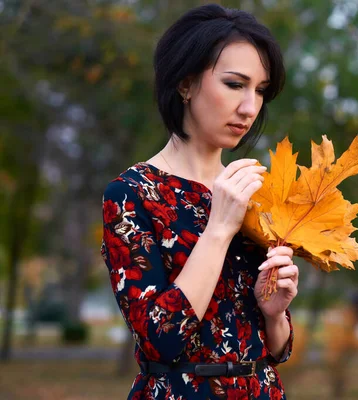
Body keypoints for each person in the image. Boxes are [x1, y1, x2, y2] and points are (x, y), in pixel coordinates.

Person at [101, 4, 298, 399]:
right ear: (185, 84)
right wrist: (220, 227)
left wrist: (275, 314)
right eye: (234, 84)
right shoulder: (132, 194)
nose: (249, 107)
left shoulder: (255, 191)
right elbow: (162, 338)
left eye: (260, 91)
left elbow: (277, 350)